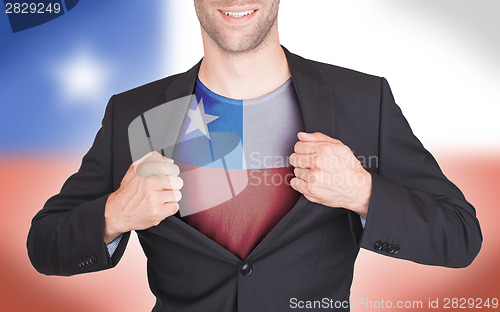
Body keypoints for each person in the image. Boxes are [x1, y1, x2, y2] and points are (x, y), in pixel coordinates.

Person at [27, 1, 482, 311]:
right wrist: (114, 214)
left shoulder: (363, 100)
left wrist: (363, 192)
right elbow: (44, 245)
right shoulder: (135, 112)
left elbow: (460, 236)